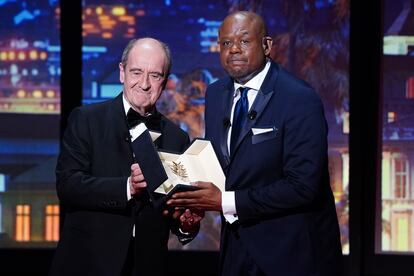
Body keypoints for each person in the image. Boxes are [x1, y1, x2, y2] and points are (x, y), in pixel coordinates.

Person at [167, 11, 343, 276]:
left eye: (244, 41)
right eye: (225, 43)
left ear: (267, 45)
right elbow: (221, 164)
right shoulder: (215, 94)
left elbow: (303, 186)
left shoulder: (299, 99)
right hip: (235, 250)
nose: (234, 49)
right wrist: (192, 201)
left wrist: (225, 201)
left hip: (290, 254)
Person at [49, 38, 203, 276]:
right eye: (136, 72)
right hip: (87, 264)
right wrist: (128, 187)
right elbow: (68, 186)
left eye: (154, 75)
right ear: (122, 72)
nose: (144, 84)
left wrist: (186, 224)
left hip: (147, 266)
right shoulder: (87, 119)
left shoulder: (177, 138)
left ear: (165, 82)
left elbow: (174, 214)